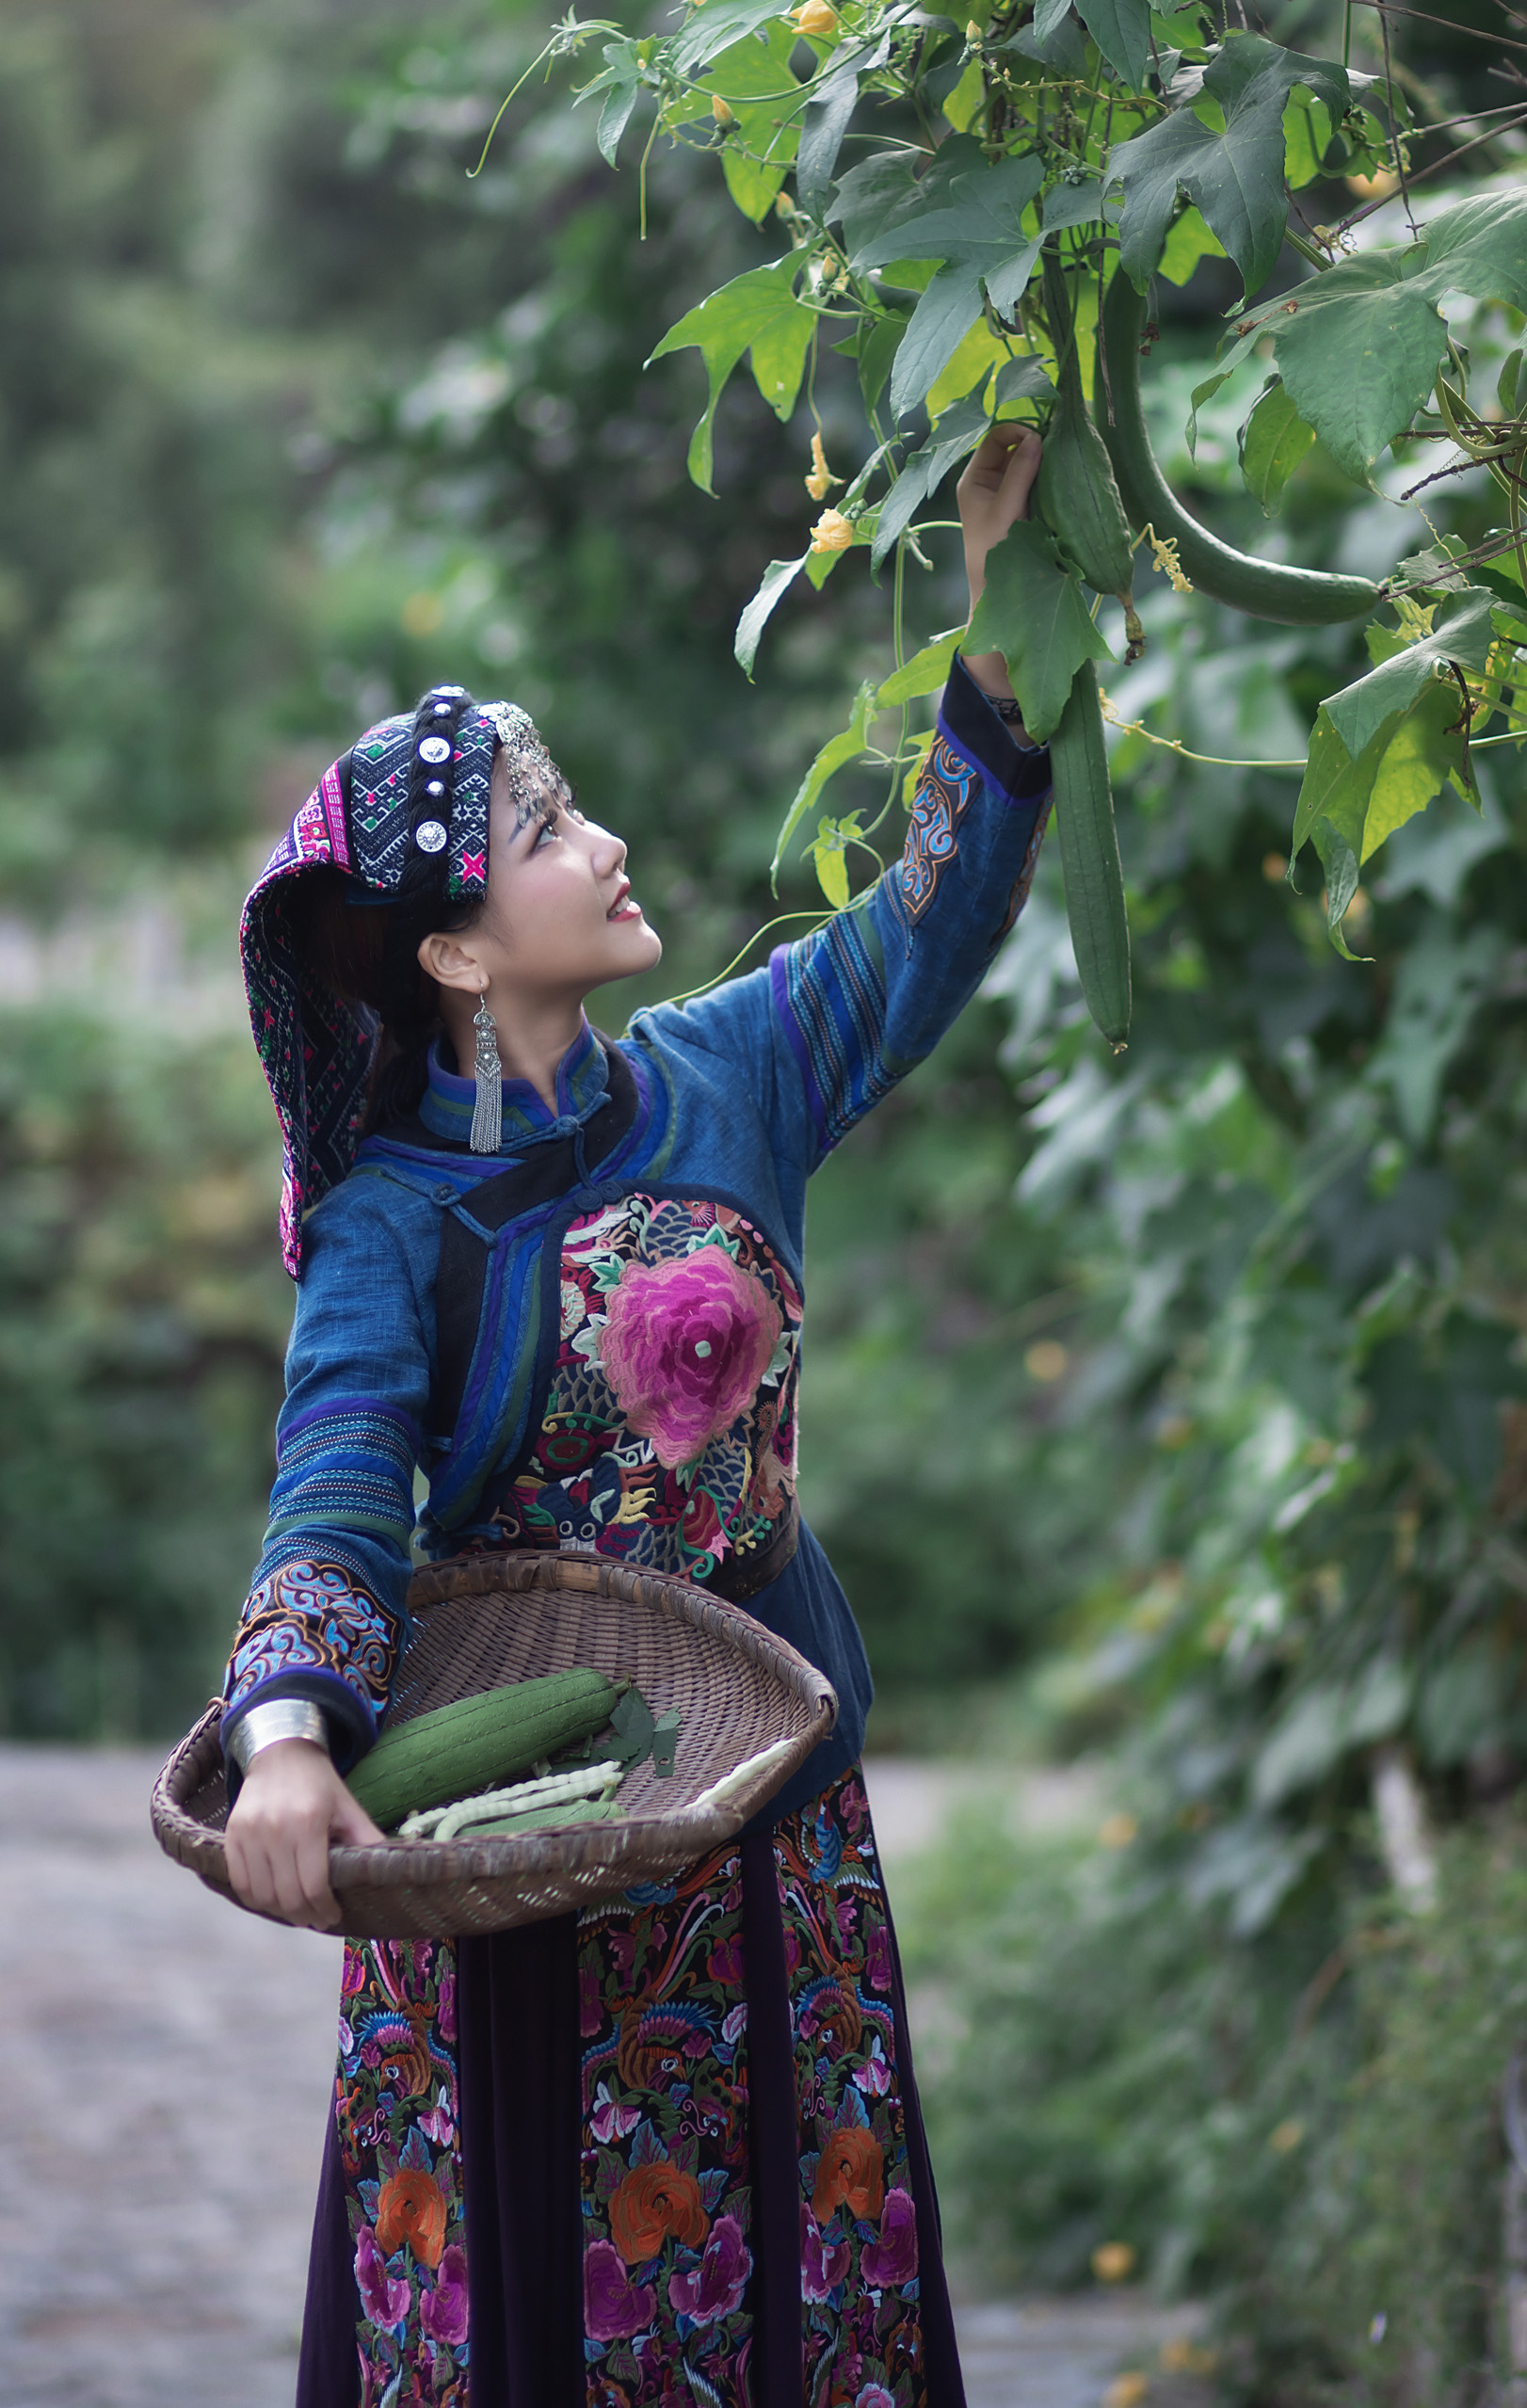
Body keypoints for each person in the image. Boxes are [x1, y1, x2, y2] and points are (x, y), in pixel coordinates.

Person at [220, 422, 1050, 2407]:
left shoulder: (735, 1073)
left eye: (578, 808)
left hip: (765, 1774)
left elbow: (922, 925)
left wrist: (1002, 622)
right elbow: (336, 1479)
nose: (599, 846)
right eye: (544, 832)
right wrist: (282, 1736)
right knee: (544, 2297)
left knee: (799, 2253)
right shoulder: (391, 1218)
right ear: (451, 948)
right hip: (513, 1829)